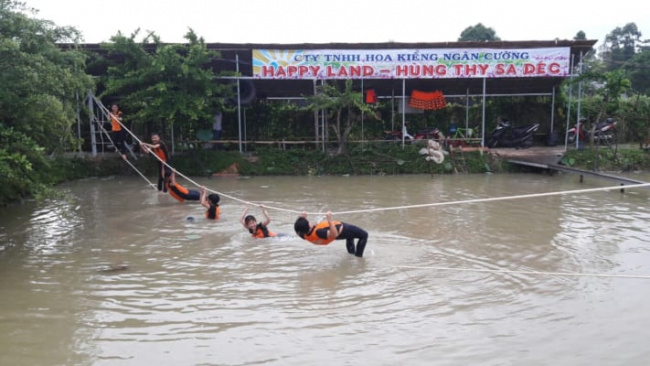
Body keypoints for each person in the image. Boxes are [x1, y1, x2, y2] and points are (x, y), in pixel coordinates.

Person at [294, 211, 368, 257]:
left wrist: (303, 217)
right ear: (309, 225)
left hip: (340, 233)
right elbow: (334, 234)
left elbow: (298, 230)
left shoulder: (303, 235)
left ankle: (351, 256)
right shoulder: (319, 232)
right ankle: (359, 257)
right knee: (364, 235)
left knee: (350, 236)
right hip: (342, 231)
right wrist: (329, 220)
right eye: (308, 221)